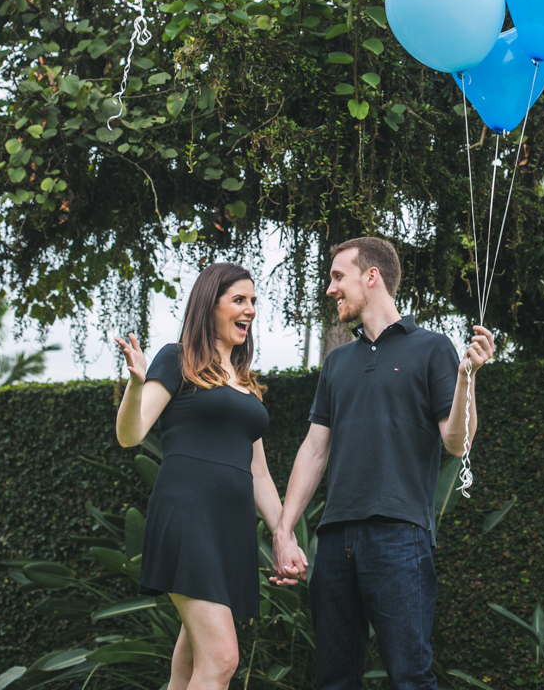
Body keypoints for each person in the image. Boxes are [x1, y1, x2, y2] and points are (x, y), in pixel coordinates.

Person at [271, 237, 495, 690]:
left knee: (410, 677)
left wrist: (467, 378)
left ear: (371, 277)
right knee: (334, 679)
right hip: (333, 541)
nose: (330, 288)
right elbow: (315, 449)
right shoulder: (337, 362)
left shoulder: (432, 350)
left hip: (400, 537)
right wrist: (284, 528)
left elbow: (456, 442)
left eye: (338, 276)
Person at [114, 262, 305, 690]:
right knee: (221, 660)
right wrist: (135, 386)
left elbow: (258, 472)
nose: (250, 309)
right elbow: (131, 435)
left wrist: (283, 535)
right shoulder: (177, 359)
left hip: (230, 527)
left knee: (188, 668)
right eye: (239, 300)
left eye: (253, 301)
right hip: (188, 516)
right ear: (209, 306)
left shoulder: (247, 383)